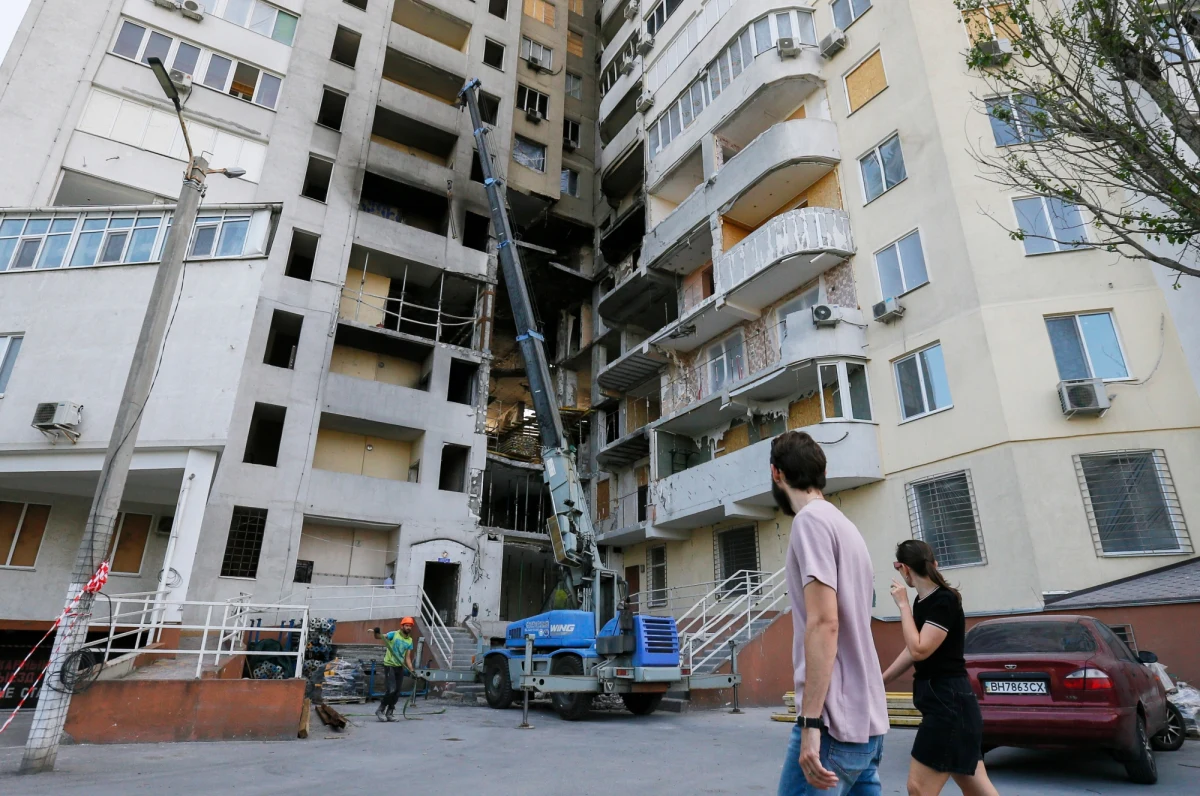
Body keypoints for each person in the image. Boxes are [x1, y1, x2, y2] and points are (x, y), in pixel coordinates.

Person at [772, 431, 889, 796]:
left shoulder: (809, 521)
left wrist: (810, 723)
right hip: (868, 724)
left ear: (777, 473)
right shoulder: (846, 526)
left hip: (831, 725)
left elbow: (825, 623)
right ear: (822, 472)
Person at [882, 540, 999, 796]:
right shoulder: (922, 601)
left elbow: (919, 649)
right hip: (948, 702)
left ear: (904, 568)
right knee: (976, 787)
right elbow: (912, 649)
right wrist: (882, 681)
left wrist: (902, 605)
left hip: (948, 704)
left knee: (918, 788)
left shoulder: (944, 600)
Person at [373, 617, 416, 722]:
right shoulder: (394, 634)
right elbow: (379, 637)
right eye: (407, 625)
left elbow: (407, 658)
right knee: (391, 689)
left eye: (410, 626)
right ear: (402, 626)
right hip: (389, 665)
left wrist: (412, 670)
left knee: (397, 691)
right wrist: (376, 632)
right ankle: (380, 710)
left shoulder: (409, 641)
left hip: (399, 666)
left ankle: (390, 712)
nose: (408, 627)